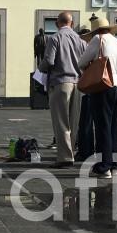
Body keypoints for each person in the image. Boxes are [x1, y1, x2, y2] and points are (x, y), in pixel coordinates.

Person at [78, 17, 117, 178]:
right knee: (113, 127)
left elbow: (81, 62)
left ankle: (104, 166)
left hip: (103, 88)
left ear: (96, 31)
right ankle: (114, 164)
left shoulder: (97, 39)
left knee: (102, 127)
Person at [38, 12, 86, 168]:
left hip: (60, 83)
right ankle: (70, 152)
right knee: (74, 122)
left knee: (61, 123)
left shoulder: (54, 38)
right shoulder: (81, 40)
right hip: (78, 83)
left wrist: (41, 68)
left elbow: (49, 61)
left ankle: (65, 158)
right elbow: (86, 62)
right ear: (72, 23)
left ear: (57, 23)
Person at [76, 27, 95, 162]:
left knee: (85, 123)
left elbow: (81, 64)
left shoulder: (91, 48)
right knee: (89, 123)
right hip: (95, 88)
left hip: (89, 88)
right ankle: (88, 150)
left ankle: (85, 151)